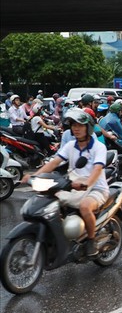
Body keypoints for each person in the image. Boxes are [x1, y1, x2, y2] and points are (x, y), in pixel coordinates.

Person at [22, 108, 110, 257]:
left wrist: (87, 184)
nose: (76, 129)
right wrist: (34, 176)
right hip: (74, 185)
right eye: (73, 125)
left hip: (96, 187)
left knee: (84, 206)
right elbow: (54, 163)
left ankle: (91, 240)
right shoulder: (70, 146)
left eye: (80, 125)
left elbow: (97, 169)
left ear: (87, 127)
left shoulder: (98, 147)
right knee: (50, 199)